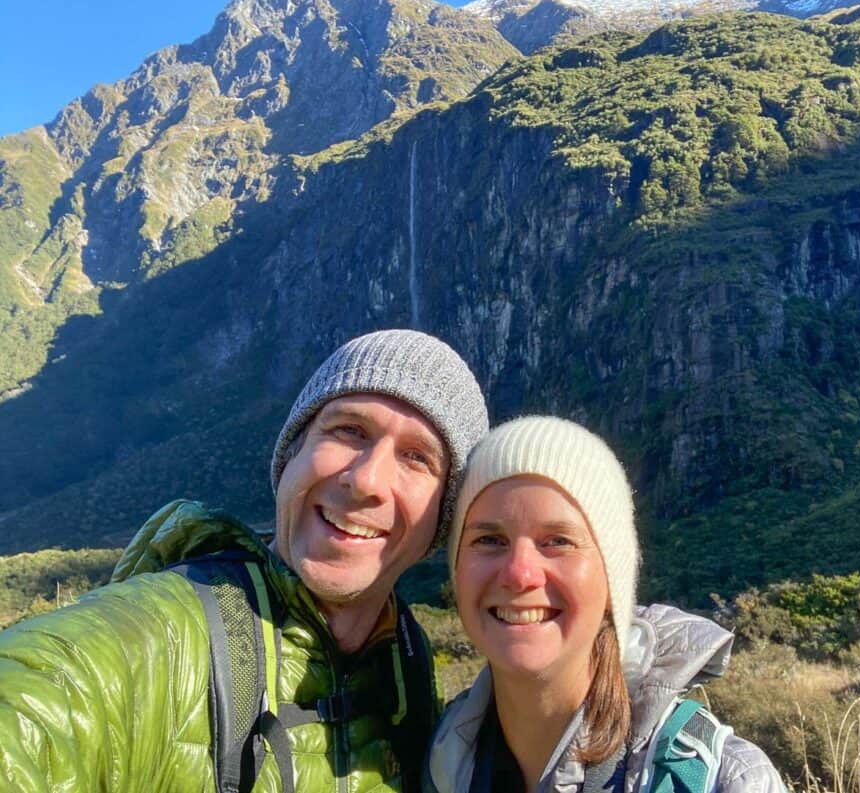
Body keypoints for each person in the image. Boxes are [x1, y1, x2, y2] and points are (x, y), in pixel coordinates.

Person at [0, 329, 490, 792]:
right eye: (348, 431)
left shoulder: (407, 670)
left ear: (441, 523)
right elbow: (33, 699)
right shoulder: (153, 640)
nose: (366, 481)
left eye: (417, 458)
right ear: (291, 454)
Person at [426, 416, 787, 793]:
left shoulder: (723, 779)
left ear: (612, 578)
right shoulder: (439, 764)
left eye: (558, 541)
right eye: (489, 540)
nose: (519, 573)